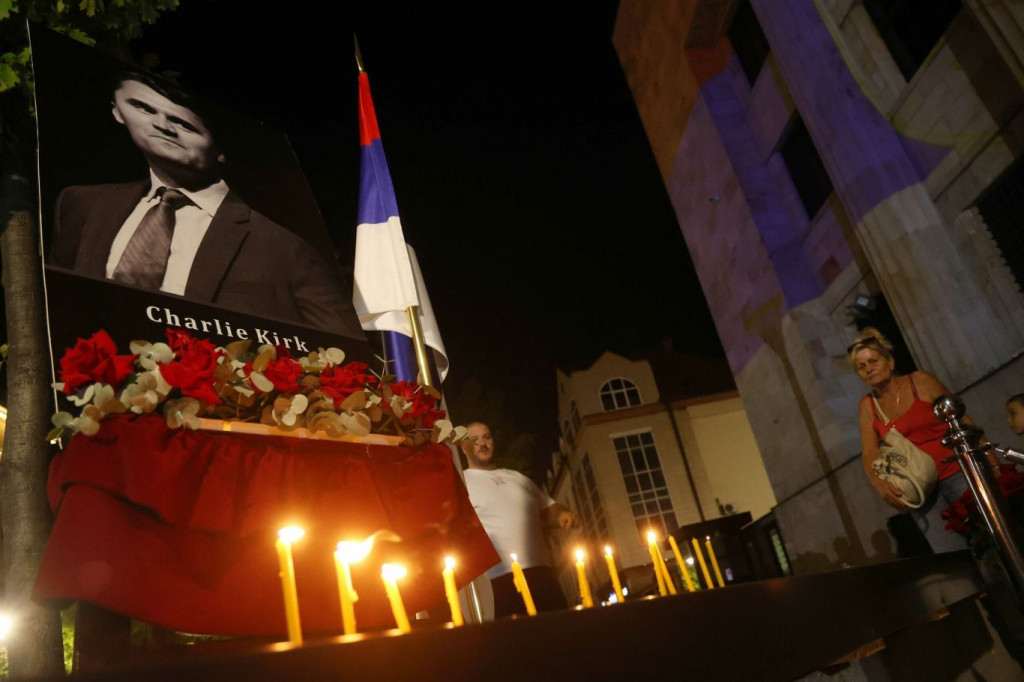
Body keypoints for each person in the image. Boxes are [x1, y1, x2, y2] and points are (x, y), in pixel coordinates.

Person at [48, 70, 361, 337]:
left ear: (220, 148)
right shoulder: (81, 203)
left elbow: (344, 352)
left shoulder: (286, 248)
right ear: (117, 111)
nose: (162, 126)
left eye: (185, 124)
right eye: (144, 109)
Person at [850, 327, 1000, 553]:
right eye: (861, 367)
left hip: (958, 472)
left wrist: (993, 463)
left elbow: (963, 421)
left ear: (890, 361)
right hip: (919, 488)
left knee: (991, 539)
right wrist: (879, 483)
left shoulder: (921, 381)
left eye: (873, 361)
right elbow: (869, 451)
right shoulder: (867, 405)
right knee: (951, 555)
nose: (869, 369)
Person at [463, 421, 578, 617]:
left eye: (487, 437)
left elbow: (548, 508)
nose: (482, 443)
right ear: (463, 447)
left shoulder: (518, 478)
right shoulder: (462, 483)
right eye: (474, 440)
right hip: (499, 580)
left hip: (542, 573)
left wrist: (562, 515)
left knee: (560, 628)